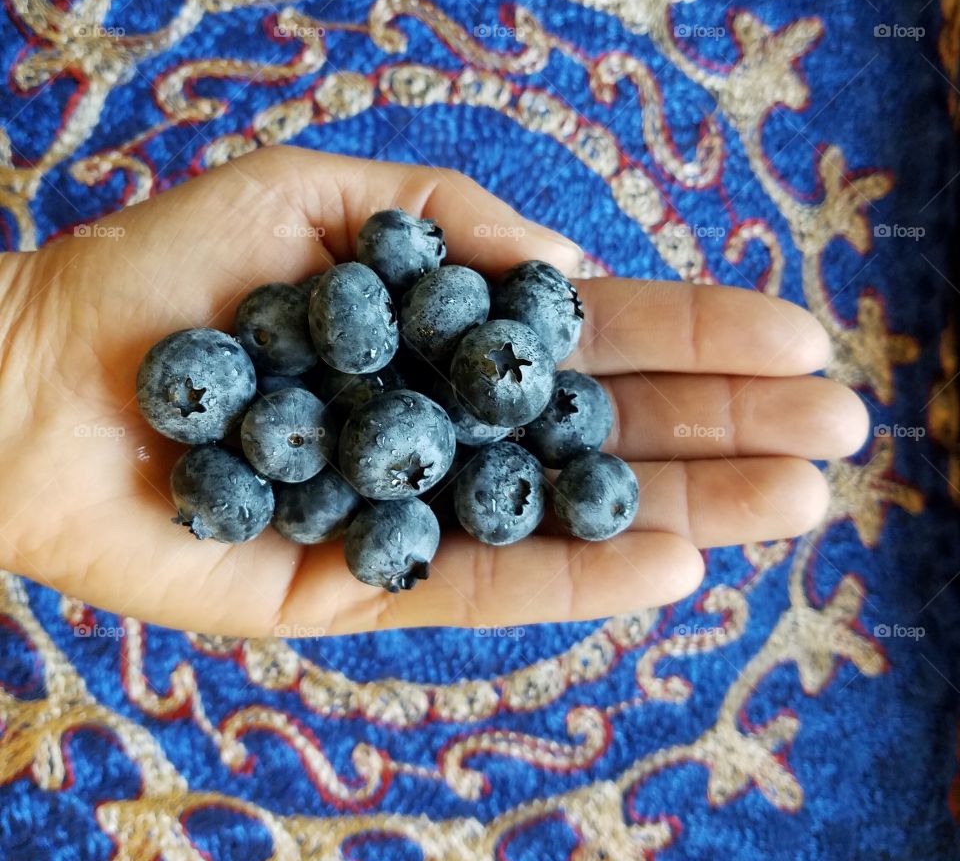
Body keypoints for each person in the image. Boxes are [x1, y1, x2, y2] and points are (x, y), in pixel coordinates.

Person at [0, 145, 869, 638]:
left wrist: (26, 339)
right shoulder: (297, 400)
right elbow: (333, 396)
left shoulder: (485, 413)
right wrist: (28, 336)